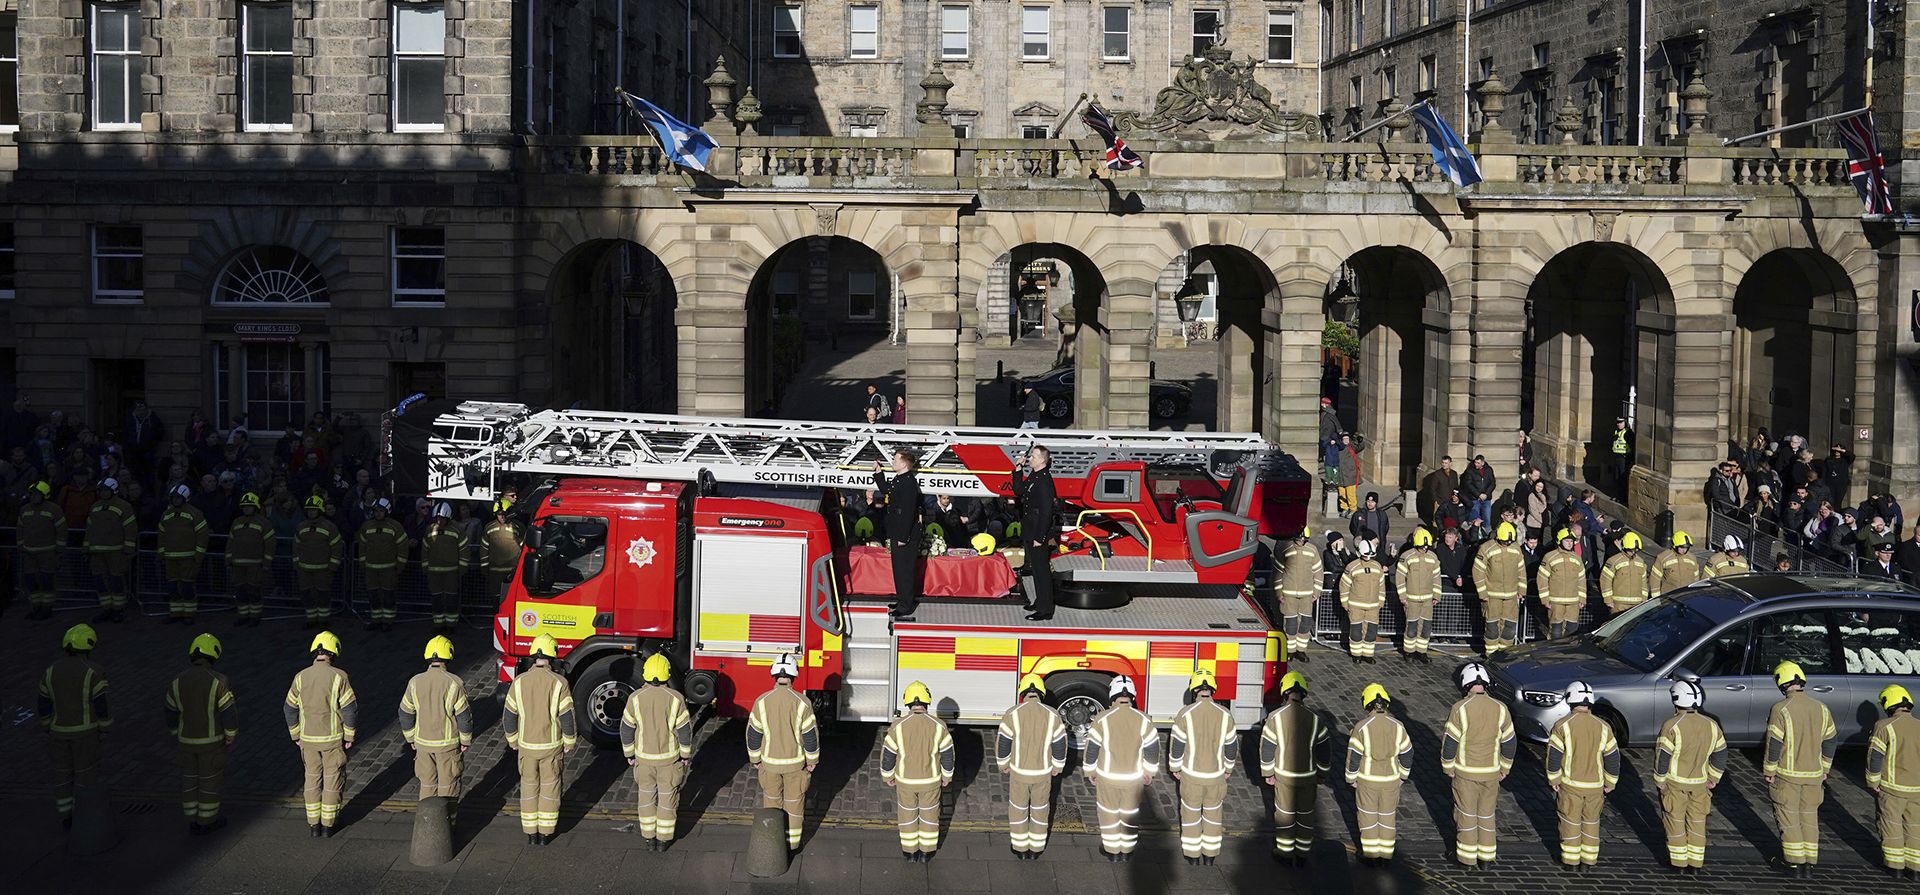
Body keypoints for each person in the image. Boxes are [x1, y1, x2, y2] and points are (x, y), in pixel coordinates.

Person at [1765, 660, 1837, 877]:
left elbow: (1774, 743)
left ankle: (1793, 864)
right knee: (1809, 817)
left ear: (1781, 683)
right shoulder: (1821, 708)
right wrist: (1825, 768)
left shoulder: (1781, 709)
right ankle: (1809, 863)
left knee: (1789, 817)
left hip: (1787, 775)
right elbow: (1831, 741)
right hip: (1814, 775)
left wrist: (1769, 770)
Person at [504, 632, 576, 845]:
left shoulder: (519, 682)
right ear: (552, 657)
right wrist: (570, 741)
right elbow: (567, 717)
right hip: (551, 747)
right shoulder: (559, 683)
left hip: (526, 746)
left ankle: (530, 832)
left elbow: (509, 715)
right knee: (550, 786)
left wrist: (513, 739)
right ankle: (545, 833)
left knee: (528, 786)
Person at [1442, 661, 1516, 869]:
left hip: (1465, 773)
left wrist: (1448, 767)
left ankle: (1466, 858)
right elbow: (1509, 742)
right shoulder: (1501, 708)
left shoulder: (1460, 708)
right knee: (1486, 814)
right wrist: (1505, 767)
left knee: (1466, 814)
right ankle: (1486, 858)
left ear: (1465, 684)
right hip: (1491, 773)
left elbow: (1450, 743)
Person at [285, 630, 357, 837]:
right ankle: (329, 824)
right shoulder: (339, 677)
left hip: (308, 740)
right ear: (333, 653)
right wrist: (349, 736)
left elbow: (289, 708)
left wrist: (296, 735)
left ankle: (313, 825)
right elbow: (350, 709)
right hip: (333, 739)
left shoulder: (300, 677)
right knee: (333, 780)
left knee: (312, 779)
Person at [747, 653, 820, 853]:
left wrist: (755, 759)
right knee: (794, 806)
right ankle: (793, 845)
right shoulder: (803, 702)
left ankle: (774, 843)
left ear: (773, 675)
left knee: (771, 803)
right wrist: (812, 760)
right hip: (796, 765)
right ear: (794, 676)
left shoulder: (762, 701)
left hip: (769, 765)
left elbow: (753, 734)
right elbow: (810, 736)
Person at [167, 633, 238, 834]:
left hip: (185, 742)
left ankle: (191, 819)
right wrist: (230, 734)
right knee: (209, 782)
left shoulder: (177, 681)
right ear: (214, 656)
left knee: (189, 779)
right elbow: (228, 713)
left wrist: (175, 732)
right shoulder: (219, 681)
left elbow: (170, 712)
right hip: (212, 743)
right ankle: (206, 822)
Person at [41, 623, 110, 828]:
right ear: (89, 646)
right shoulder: (94, 671)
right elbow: (101, 704)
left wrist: (47, 725)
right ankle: (85, 813)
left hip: (57, 732)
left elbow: (43, 702)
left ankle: (66, 815)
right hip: (85, 732)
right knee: (85, 773)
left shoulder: (50, 671)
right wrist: (104, 728)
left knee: (62, 774)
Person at [1546, 681, 1620, 871]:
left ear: (1570, 700)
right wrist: (1611, 782)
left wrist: (1553, 778)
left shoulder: (1563, 725)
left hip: (1571, 785)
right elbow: (1612, 757)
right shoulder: (1604, 726)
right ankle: (1588, 861)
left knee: (1570, 822)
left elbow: (1554, 756)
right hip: (1595, 787)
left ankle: (1571, 862)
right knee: (1591, 822)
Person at [621, 653, 692, 850]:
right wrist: (685, 755)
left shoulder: (635, 698)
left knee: (646, 798)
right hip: (669, 760)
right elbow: (684, 730)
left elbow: (626, 728)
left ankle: (649, 839)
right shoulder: (676, 699)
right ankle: (663, 840)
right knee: (668, 800)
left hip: (643, 760)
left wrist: (629, 754)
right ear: (666, 674)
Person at [1654, 679, 1726, 875]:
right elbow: (1721, 753)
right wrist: (1714, 777)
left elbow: (1663, 757)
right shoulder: (1711, 725)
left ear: (1676, 699)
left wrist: (1660, 780)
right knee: (1697, 823)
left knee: (1675, 821)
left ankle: (1678, 864)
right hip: (1700, 784)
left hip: (1675, 783)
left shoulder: (1672, 725)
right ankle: (1695, 864)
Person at [1085, 675, 1158, 862]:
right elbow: (1152, 749)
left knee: (1109, 813)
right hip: (1133, 779)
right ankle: (1127, 851)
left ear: (1112, 695)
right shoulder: (1144, 719)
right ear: (1132, 696)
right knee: (1130, 814)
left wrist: (1090, 771)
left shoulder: (1102, 719)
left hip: (1108, 777)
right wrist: (1149, 772)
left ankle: (1112, 851)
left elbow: (1092, 749)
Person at [1259, 670, 1328, 865]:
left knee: (1285, 815)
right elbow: (1324, 750)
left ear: (1284, 692)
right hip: (1308, 776)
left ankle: (1285, 853)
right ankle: (1303, 854)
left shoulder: (1275, 717)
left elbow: (1267, 748)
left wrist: (1268, 772)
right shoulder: (1315, 719)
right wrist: (1322, 773)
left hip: (1284, 776)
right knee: (1306, 816)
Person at [881, 681, 956, 862]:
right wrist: (947, 776)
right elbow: (948, 754)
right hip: (930, 781)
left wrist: (888, 776)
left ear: (907, 702)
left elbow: (888, 755)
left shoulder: (897, 726)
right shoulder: (939, 725)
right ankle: (926, 852)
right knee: (930, 815)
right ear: (926, 702)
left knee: (907, 816)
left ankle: (910, 852)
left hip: (905, 782)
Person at [400, 635, 472, 821]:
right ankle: (448, 824)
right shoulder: (454, 682)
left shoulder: (415, 681)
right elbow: (464, 716)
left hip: (423, 744)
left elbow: (405, 713)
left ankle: (427, 823)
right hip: (447, 745)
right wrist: (465, 740)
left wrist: (411, 739)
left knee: (427, 785)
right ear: (449, 655)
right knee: (449, 786)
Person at [1171, 669, 1236, 866]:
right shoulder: (1225, 715)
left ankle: (1192, 856)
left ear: (1194, 689)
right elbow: (1231, 747)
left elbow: (1177, 746)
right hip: (1216, 777)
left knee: (1190, 815)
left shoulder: (1185, 714)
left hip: (1191, 777)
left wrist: (1175, 767)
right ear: (1213, 690)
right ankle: (1210, 855)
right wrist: (1228, 769)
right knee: (1213, 815)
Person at [997, 674, 1067, 858]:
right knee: (1040, 809)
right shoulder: (1052, 715)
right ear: (1041, 693)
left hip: (1019, 773)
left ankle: (1020, 849)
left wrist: (1004, 764)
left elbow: (1004, 742)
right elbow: (1060, 743)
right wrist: (1057, 767)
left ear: (1023, 692)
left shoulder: (1013, 713)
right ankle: (1036, 849)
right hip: (1043, 773)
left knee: (1018, 809)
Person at [1347, 683, 1412, 866]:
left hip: (1367, 780)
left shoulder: (1361, 727)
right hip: (1391, 779)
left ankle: (1371, 856)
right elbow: (1407, 753)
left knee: (1368, 817)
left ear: (1366, 704)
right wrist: (1402, 776)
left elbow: (1354, 757)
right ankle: (1386, 855)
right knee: (1387, 817)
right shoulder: (1398, 726)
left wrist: (1351, 779)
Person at [1868, 684, 1920, 880]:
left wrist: (1873, 781)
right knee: (1915, 826)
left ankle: (1895, 866)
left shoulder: (1884, 726)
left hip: (1892, 787)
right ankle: (1916, 869)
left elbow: (1875, 757)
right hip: (1917, 789)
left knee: (1891, 825)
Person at [873, 450, 923, 620]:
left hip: (905, 534)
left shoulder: (909, 483)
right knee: (898, 569)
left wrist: (903, 537)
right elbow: (887, 489)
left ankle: (906, 605)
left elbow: (908, 513)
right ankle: (902, 600)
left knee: (904, 571)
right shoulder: (899, 479)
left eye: (895, 459)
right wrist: (879, 473)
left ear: (904, 463)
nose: (892, 462)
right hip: (898, 532)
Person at [1012, 445, 1058, 621]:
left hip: (1038, 532)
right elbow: (1019, 490)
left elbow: (1047, 512)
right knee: (1036, 570)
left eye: (1033, 456)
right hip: (1030, 530)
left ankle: (1045, 610)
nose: (1030, 458)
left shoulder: (1045, 481)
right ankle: (1040, 602)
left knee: (1042, 571)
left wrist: (1040, 537)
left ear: (1042, 460)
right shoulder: (1035, 476)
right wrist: (1018, 469)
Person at [84, 478, 137, 623]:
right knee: (100, 580)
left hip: (116, 551)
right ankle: (106, 608)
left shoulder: (124, 506)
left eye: (106, 490)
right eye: (100, 490)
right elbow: (89, 529)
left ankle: (118, 610)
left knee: (116, 580)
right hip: (96, 552)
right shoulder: (95, 507)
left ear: (113, 490)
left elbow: (130, 528)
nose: (102, 493)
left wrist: (128, 548)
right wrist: (86, 546)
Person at [157, 483, 211, 624]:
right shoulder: (166, 514)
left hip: (188, 558)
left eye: (178, 498)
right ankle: (175, 613)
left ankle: (189, 614)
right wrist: (161, 553)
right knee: (173, 587)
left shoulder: (195, 513)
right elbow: (161, 535)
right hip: (170, 558)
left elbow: (203, 535)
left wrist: (198, 555)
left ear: (185, 498)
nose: (175, 500)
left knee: (187, 587)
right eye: (173, 498)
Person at [355, 497, 411, 631]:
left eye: (381, 511)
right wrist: (363, 562)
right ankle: (376, 620)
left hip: (389, 568)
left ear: (387, 511)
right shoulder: (367, 526)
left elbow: (403, 547)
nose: (378, 513)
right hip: (371, 568)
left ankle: (388, 621)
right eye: (376, 511)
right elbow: (362, 546)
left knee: (388, 595)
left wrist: (400, 565)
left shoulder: (395, 527)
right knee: (373, 595)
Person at [1472, 523, 1527, 654]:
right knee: (1492, 626)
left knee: (1509, 626)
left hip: (1511, 595)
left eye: (1509, 541)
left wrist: (1522, 591)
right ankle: (1491, 653)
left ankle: (1505, 653)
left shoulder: (1516, 548)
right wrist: (1482, 593)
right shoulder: (1486, 548)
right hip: (1492, 595)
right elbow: (1478, 571)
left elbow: (1521, 570)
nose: (1507, 543)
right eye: (1505, 541)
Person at [293, 496, 343, 628]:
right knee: (306, 594)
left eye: (314, 510)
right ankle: (311, 619)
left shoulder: (329, 527)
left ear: (320, 511)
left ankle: (324, 620)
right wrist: (297, 563)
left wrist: (333, 566)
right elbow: (296, 547)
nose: (311, 512)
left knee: (323, 594)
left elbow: (337, 547)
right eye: (309, 510)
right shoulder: (301, 526)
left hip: (323, 568)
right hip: (304, 569)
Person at [227, 493, 275, 626]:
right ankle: (243, 616)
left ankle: (255, 616)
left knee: (254, 590)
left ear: (255, 507)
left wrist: (266, 562)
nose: (246, 509)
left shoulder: (263, 523)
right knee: (240, 590)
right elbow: (230, 542)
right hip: (238, 564)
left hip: (255, 564)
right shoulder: (237, 522)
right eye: (244, 507)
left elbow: (270, 544)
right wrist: (228, 559)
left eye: (249, 506)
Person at [421, 504, 470, 632]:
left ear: (448, 517)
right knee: (436, 599)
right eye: (437, 518)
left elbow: (464, 550)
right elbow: (425, 549)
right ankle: (438, 625)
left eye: (442, 518)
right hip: (434, 572)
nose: (439, 521)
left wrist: (462, 567)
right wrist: (425, 566)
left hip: (451, 572)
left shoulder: (457, 530)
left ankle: (451, 625)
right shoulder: (429, 530)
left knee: (451, 599)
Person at [1276, 527, 1322, 660]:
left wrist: (1317, 592)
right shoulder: (1286, 549)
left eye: (1304, 540)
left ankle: (1301, 650)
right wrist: (1279, 593)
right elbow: (1278, 573)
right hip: (1289, 593)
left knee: (1305, 623)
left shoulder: (1312, 550)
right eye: (1299, 540)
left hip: (1307, 594)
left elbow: (1318, 572)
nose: (1301, 542)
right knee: (1290, 624)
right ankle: (1289, 651)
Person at [1395, 528, 1441, 661]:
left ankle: (1422, 651)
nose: (1425, 549)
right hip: (1411, 599)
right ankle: (1409, 652)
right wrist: (1403, 597)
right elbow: (1400, 578)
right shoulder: (1407, 556)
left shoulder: (1433, 557)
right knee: (1411, 627)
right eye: (1422, 546)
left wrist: (1437, 595)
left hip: (1427, 600)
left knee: (1425, 627)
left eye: (1426, 547)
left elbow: (1436, 577)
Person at [18, 481, 61, 619]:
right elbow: (20, 528)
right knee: (31, 582)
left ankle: (47, 609)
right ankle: (36, 608)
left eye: (36, 494)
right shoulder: (24, 509)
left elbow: (62, 529)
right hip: (29, 553)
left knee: (47, 581)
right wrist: (20, 545)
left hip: (47, 553)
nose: (33, 497)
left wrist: (59, 548)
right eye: (31, 494)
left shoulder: (54, 509)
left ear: (44, 495)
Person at [1339, 539, 1386, 664]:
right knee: (1356, 631)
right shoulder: (1352, 566)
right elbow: (1344, 585)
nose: (1368, 557)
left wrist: (1380, 602)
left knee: (1371, 631)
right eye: (1366, 555)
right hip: (1355, 606)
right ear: (1360, 553)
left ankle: (1368, 654)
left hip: (1373, 606)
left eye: (1370, 555)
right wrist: (1345, 603)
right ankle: (1356, 654)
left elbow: (1381, 586)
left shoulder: (1377, 566)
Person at [1538, 529, 1587, 640]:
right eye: (1567, 541)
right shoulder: (1549, 557)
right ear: (1560, 541)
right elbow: (1542, 579)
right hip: (1555, 602)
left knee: (1572, 628)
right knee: (1555, 630)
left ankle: (1567, 654)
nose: (1570, 543)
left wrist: (1582, 599)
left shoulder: (1577, 558)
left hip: (1573, 602)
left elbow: (1581, 580)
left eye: (1571, 541)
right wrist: (1545, 599)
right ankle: (1553, 653)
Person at [1599, 532, 1651, 616]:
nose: (1634, 552)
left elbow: (1644, 582)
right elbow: (1605, 580)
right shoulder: (1614, 560)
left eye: (1636, 550)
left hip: (1636, 604)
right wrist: (1608, 600)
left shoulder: (1640, 562)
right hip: (1618, 605)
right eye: (1632, 550)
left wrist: (1644, 599)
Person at [1419, 456, 1459, 525]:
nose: (1444, 464)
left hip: (1451, 501)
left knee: (1450, 521)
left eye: (1446, 463)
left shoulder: (1454, 474)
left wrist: (1456, 497)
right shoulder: (1437, 474)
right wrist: (1436, 500)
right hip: (1440, 501)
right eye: (1443, 463)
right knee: (1437, 522)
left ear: (1450, 463)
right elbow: (1432, 489)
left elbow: (1456, 487)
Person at [1461, 455, 1497, 530]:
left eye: (1478, 463)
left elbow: (1492, 483)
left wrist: (1486, 494)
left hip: (1486, 499)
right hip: (1474, 498)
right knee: (1474, 519)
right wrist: (1478, 494)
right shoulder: (1470, 470)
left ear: (1483, 463)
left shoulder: (1489, 470)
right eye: (1475, 462)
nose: (1476, 464)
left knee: (1487, 519)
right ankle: (1474, 537)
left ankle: (1487, 537)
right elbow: (1468, 484)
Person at [1335, 433, 1362, 516]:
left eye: (1347, 438)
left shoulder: (1352, 447)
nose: (1346, 440)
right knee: (1342, 493)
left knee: (1351, 494)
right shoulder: (1338, 448)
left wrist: (1360, 440)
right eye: (1344, 439)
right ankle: (1344, 508)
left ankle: (1353, 509)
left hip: (1350, 475)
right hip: (1340, 475)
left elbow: (1360, 447)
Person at [1607, 418, 1633, 497]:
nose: (1619, 424)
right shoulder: (1615, 431)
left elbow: (1632, 445)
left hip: (1623, 457)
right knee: (1616, 477)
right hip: (1616, 456)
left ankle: (1622, 496)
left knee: (1622, 477)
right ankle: (1617, 495)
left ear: (1625, 423)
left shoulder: (1628, 433)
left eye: (1621, 422)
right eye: (1617, 422)